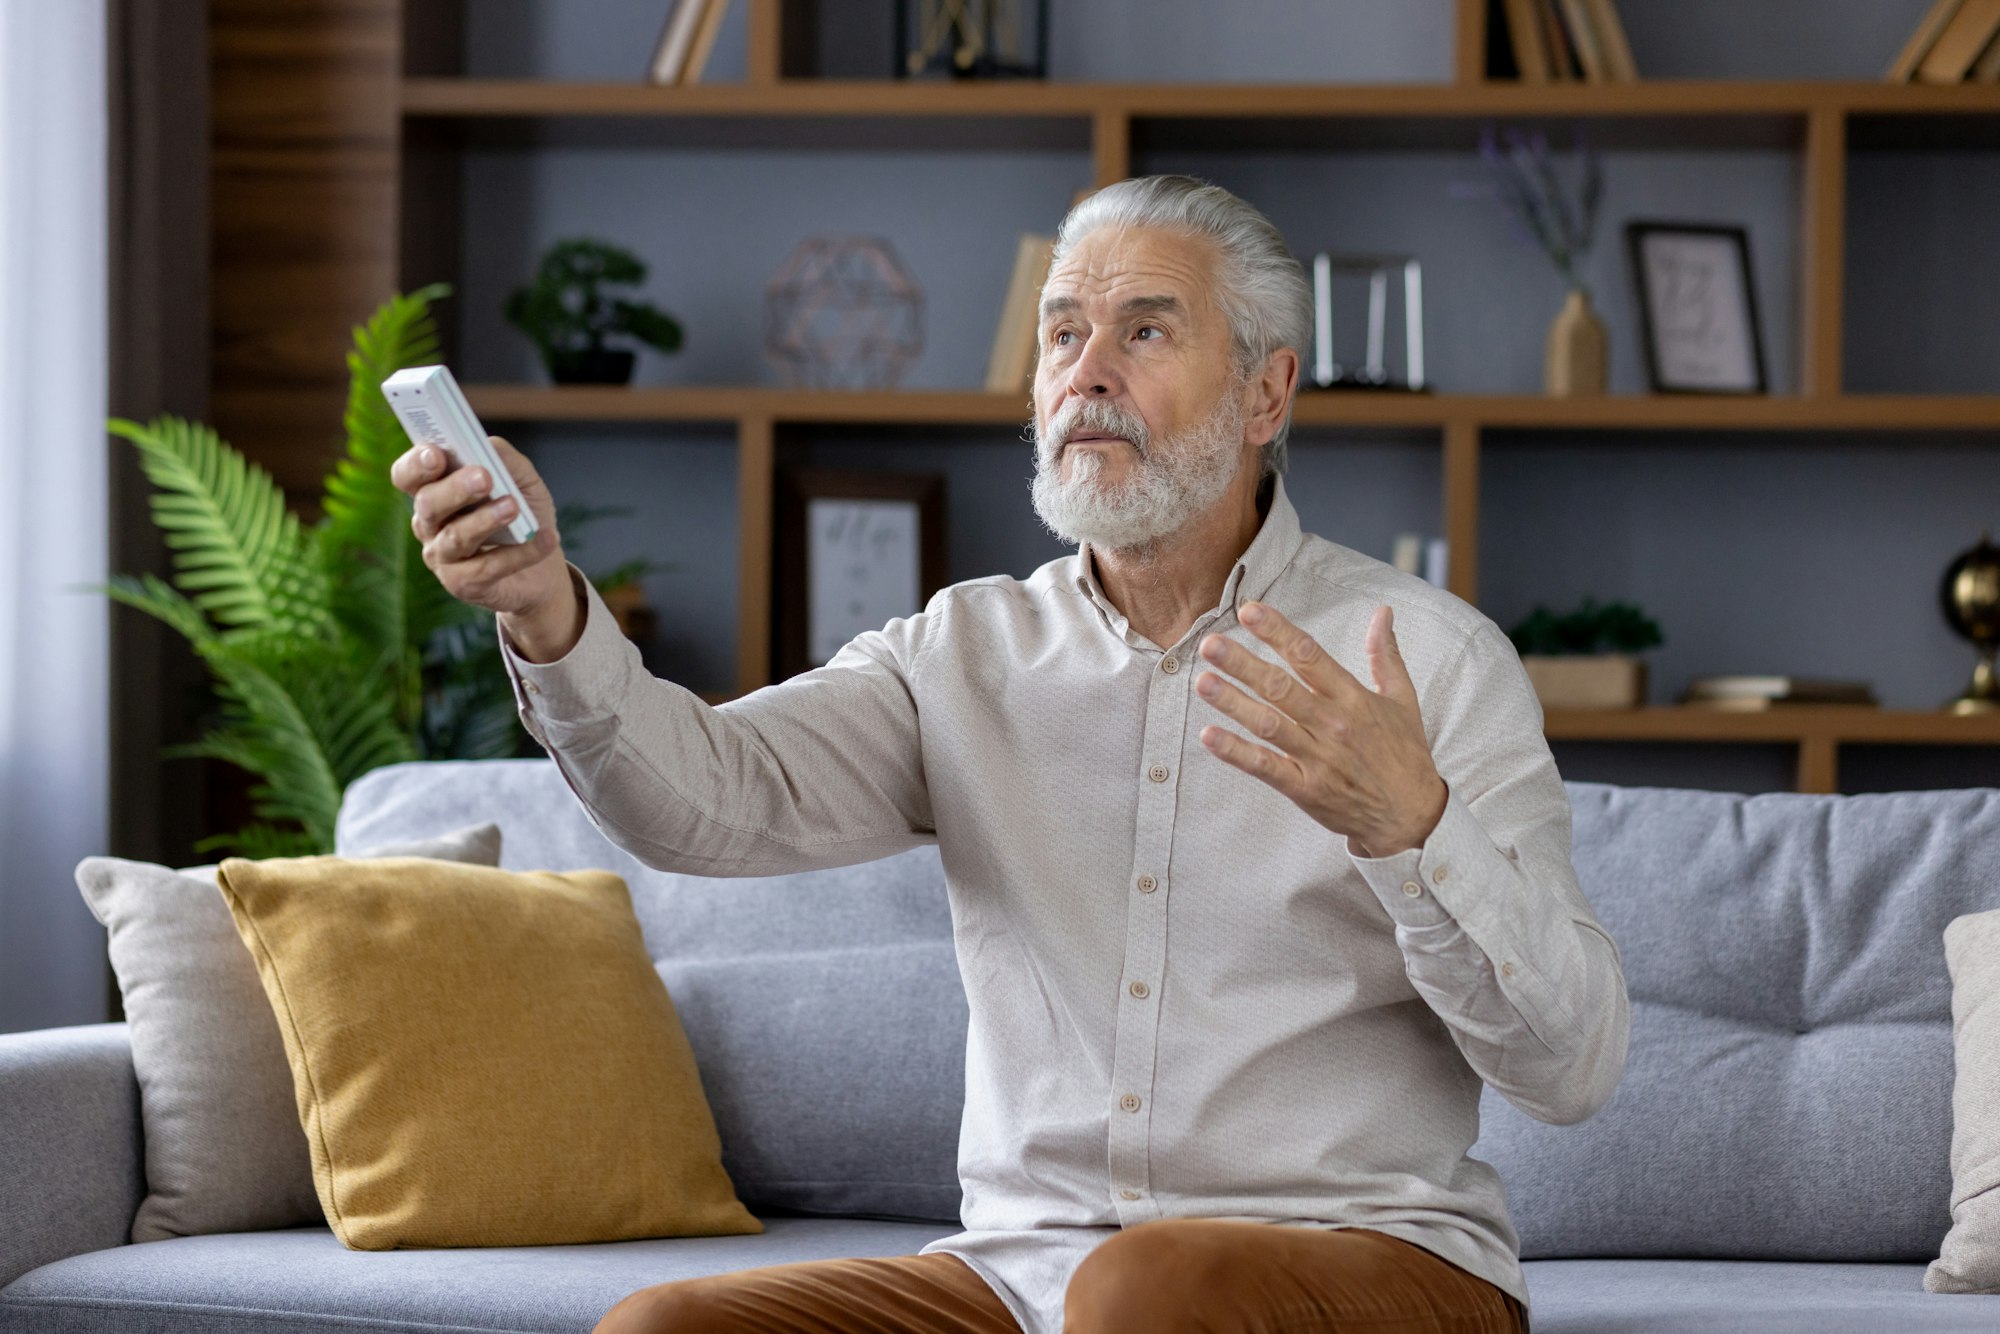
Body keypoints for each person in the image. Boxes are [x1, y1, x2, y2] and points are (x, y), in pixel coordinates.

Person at [391, 173, 1627, 1334]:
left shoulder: (1422, 657)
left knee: (1146, 1285)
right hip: (1022, 1273)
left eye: (1144, 332)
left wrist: (1413, 828)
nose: (1086, 373)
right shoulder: (960, 649)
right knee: (661, 1324)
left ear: (1265, 393)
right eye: (1061, 335)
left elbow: (1569, 1067)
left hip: (1374, 1256)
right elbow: (709, 800)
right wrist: (547, 609)